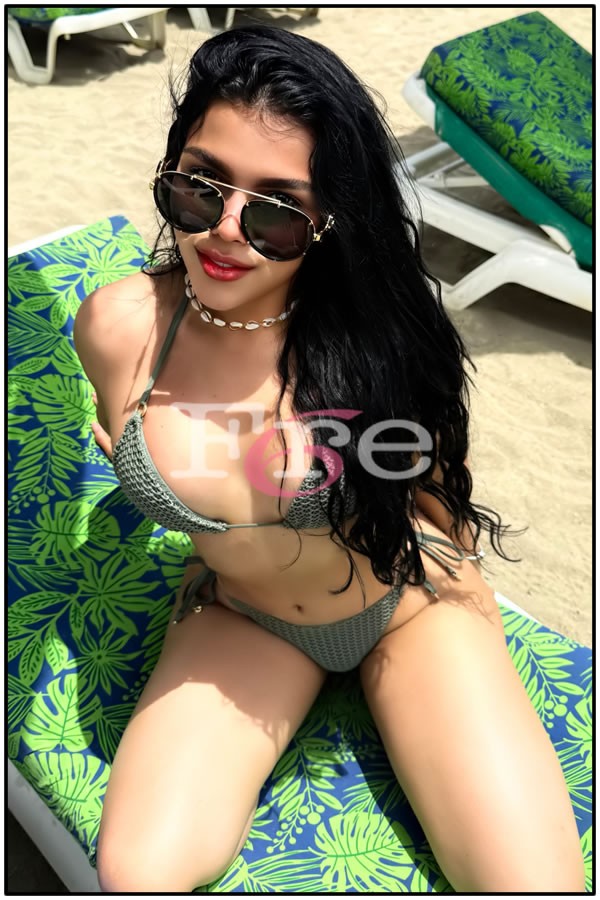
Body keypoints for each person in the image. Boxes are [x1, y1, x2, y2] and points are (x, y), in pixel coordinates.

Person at [73, 25, 585, 893]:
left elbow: (432, 479)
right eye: (199, 187)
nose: (226, 232)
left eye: (276, 212)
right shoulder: (117, 330)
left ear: (327, 220)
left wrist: (465, 590)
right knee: (137, 872)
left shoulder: (377, 342)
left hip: (405, 607)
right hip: (244, 617)